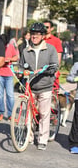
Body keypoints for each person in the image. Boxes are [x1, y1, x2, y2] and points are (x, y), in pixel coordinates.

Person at [19, 22, 58, 150]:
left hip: (45, 86)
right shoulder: (26, 50)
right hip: (30, 86)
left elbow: (54, 66)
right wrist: (20, 72)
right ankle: (29, 137)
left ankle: (42, 139)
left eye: (37, 34)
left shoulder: (50, 49)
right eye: (32, 34)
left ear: (42, 36)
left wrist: (42, 70)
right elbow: (21, 66)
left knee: (44, 114)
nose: (34, 36)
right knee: (29, 114)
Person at [0, 33, 19, 121]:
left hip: (9, 74)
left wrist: (10, 59)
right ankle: (0, 112)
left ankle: (11, 114)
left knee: (10, 95)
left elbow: (16, 57)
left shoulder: (10, 47)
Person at [43, 20, 62, 90]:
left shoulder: (56, 40)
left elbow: (58, 55)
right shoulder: (40, 39)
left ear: (51, 29)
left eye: (47, 27)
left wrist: (56, 69)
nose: (45, 29)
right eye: (43, 27)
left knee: (54, 91)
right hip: (41, 69)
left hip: (52, 69)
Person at [66, 62, 78, 154]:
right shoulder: (77, 65)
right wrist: (75, 79)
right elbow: (69, 78)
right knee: (77, 121)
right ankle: (74, 144)